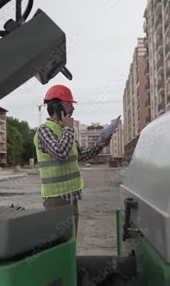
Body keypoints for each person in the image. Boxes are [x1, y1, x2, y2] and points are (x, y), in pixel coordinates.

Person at [33, 84, 111, 235]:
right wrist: (69, 129)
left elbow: (81, 155)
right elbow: (60, 152)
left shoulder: (64, 130)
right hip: (56, 198)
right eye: (68, 104)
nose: (72, 108)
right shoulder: (45, 129)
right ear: (56, 106)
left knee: (70, 243)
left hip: (70, 197)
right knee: (59, 245)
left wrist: (101, 144)